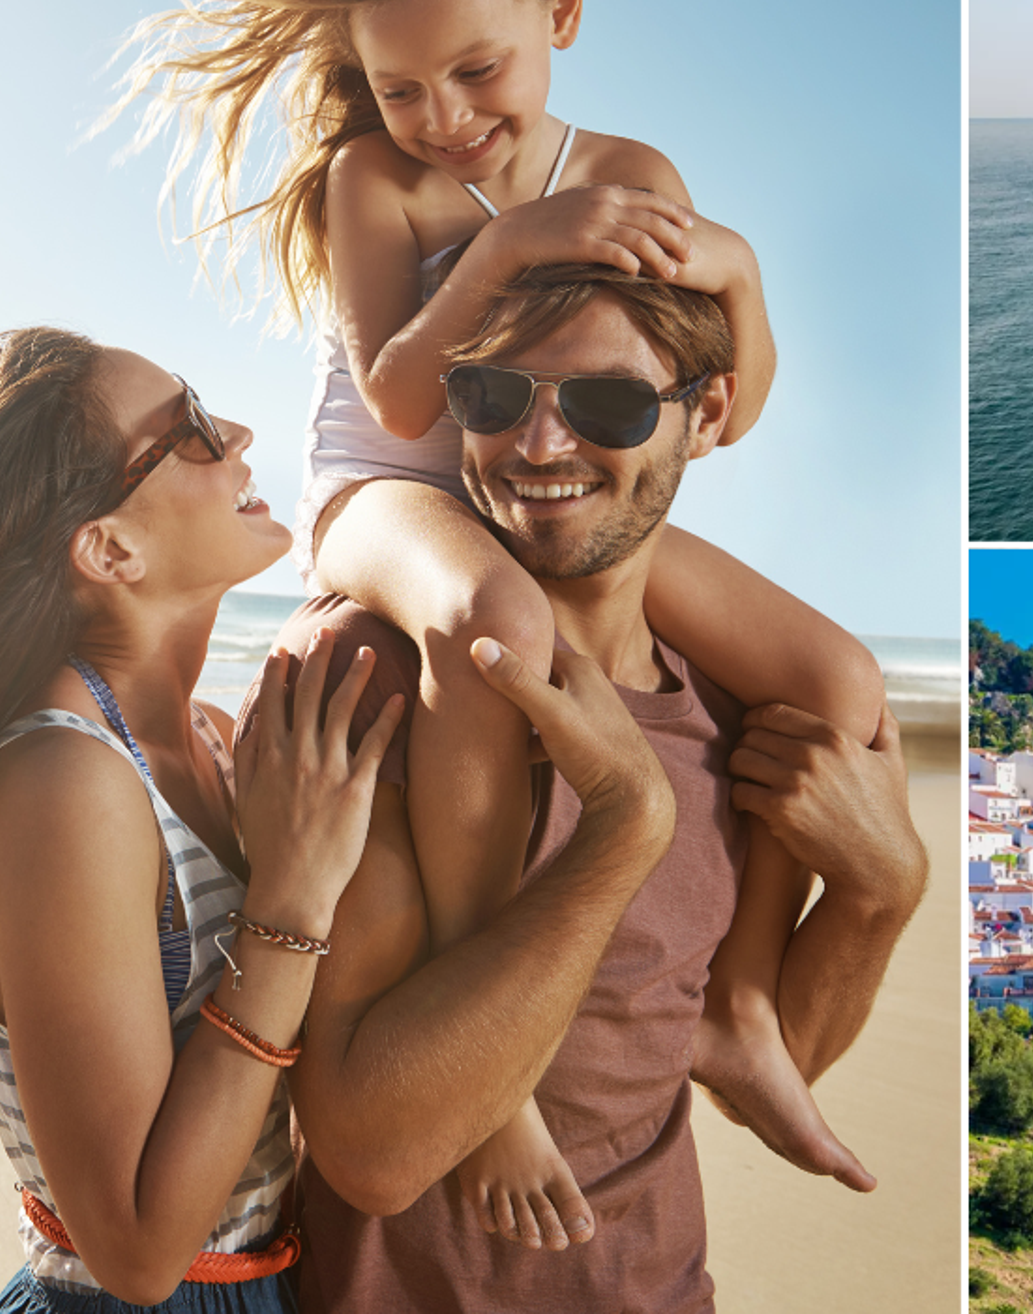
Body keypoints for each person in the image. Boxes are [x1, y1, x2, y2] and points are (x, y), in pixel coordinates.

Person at [98, 0, 877, 1224]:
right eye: (401, 87)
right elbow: (400, 401)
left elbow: (722, 403)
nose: (445, 117)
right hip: (388, 497)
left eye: (478, 71)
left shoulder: (633, 163)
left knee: (841, 679)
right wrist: (514, 243)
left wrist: (743, 272)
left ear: (561, 11)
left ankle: (744, 1005)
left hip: (540, 480)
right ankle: (495, 1069)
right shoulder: (376, 183)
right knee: (495, 629)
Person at [234, 263, 927, 1308]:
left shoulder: (739, 711)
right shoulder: (370, 680)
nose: (539, 445)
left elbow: (768, 1057)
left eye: (607, 402)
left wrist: (880, 895)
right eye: (492, 396)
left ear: (708, 414)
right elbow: (373, 1154)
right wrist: (624, 828)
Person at [0, 327, 410, 1311]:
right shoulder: (64, 785)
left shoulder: (214, 739)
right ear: (110, 548)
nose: (241, 431)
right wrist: (290, 905)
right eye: (193, 431)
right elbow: (134, 1254)